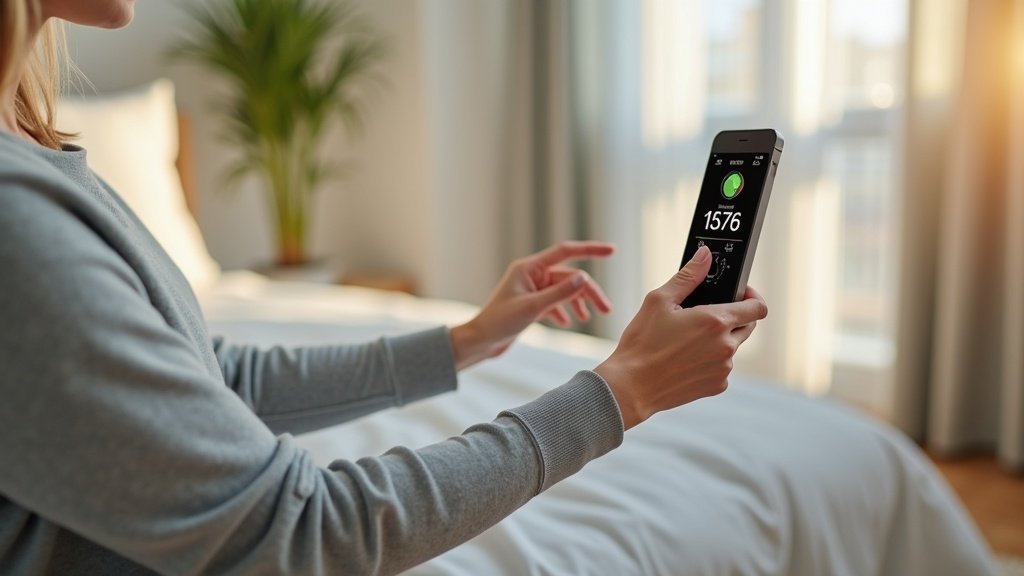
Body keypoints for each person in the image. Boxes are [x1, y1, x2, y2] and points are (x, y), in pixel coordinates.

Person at [0, 1, 769, 574]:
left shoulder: (35, 160)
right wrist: (622, 389)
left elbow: (208, 379)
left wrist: (469, 340)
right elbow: (299, 530)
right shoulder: (15, 222)